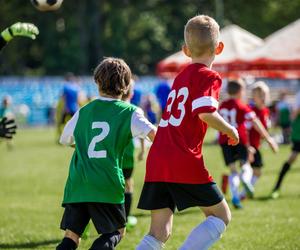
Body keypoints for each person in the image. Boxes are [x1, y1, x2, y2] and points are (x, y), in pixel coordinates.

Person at [137, 15, 239, 250]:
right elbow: (204, 112)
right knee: (221, 216)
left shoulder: (180, 76)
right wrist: (230, 129)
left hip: (158, 156)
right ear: (219, 47)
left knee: (159, 232)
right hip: (182, 156)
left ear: (185, 50)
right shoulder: (209, 75)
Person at [56, 57, 156, 250]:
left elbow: (65, 139)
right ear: (127, 86)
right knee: (117, 231)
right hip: (107, 183)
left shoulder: (84, 111)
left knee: (71, 236)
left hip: (78, 183)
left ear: (97, 82)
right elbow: (155, 135)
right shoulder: (130, 112)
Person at [219, 79, 277, 208]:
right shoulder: (242, 106)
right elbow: (254, 123)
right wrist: (268, 139)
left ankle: (235, 195)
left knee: (233, 170)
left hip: (224, 141)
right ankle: (244, 183)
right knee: (247, 167)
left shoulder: (222, 105)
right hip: (240, 140)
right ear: (240, 91)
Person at [121, 80, 145, 229]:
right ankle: (125, 218)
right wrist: (143, 150)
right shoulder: (133, 110)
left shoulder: (112, 109)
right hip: (127, 156)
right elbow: (143, 133)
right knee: (128, 185)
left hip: (110, 156)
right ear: (132, 92)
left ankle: (86, 220)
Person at [245, 81, 276, 195]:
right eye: (260, 95)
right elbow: (246, 129)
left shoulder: (265, 110)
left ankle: (231, 181)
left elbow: (264, 129)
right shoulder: (250, 110)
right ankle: (243, 193)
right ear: (254, 97)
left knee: (251, 170)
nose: (263, 98)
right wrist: (248, 146)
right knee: (254, 171)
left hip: (256, 145)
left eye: (265, 95)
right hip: (249, 146)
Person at [271, 90, 300, 199]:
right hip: (298, 134)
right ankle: (276, 187)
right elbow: (293, 115)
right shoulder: (299, 95)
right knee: (292, 158)